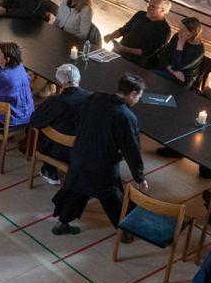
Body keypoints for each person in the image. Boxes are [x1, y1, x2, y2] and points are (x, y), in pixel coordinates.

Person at [51, 74, 147, 235]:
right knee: (112, 198)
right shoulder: (125, 116)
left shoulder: (96, 97)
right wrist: (139, 177)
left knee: (77, 190)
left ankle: (62, 224)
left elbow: (78, 116)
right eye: (139, 96)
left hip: (80, 155)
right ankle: (125, 231)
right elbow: (131, 149)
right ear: (133, 94)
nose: (138, 100)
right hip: (101, 165)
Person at [29, 63, 92, 185]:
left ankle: (50, 171)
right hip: (85, 149)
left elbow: (35, 122)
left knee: (45, 131)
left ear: (60, 83)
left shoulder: (55, 101)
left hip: (59, 152)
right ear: (79, 78)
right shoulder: (92, 98)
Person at [105, 0, 172, 66]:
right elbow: (124, 29)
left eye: (153, 6)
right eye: (148, 4)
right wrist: (111, 35)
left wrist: (123, 49)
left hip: (134, 62)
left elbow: (147, 52)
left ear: (162, 10)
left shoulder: (165, 30)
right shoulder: (140, 15)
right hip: (117, 51)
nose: (148, 8)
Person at [154, 17, 206, 87]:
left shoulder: (199, 49)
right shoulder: (177, 36)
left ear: (192, 33)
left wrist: (180, 46)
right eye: (180, 29)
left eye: (183, 30)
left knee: (153, 75)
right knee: (149, 75)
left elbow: (176, 67)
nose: (179, 32)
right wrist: (170, 69)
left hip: (183, 78)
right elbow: (163, 55)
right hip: (168, 69)